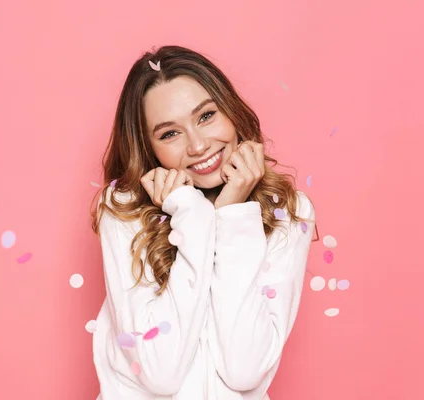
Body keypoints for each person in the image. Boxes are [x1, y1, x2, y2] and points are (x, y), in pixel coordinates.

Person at [89, 45, 317, 399]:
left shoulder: (286, 211)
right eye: (170, 133)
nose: (197, 145)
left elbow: (244, 370)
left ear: (230, 111)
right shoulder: (124, 210)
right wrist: (192, 216)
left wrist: (232, 215)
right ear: (149, 149)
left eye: (206, 116)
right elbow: (160, 373)